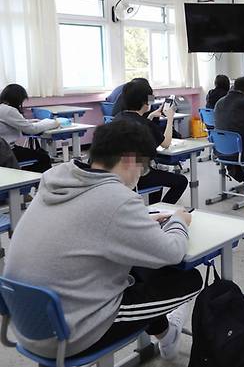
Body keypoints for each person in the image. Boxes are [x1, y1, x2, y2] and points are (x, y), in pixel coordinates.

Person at [4, 120, 202, 360]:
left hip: (26, 322)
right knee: (187, 279)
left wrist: (140, 224)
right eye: (144, 167)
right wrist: (179, 220)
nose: (142, 174)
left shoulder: (57, 179)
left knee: (133, 267)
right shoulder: (116, 198)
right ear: (130, 159)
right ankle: (169, 334)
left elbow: (84, 226)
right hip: (69, 335)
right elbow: (172, 252)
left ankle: (164, 334)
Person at [114, 81, 189, 204]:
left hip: (116, 174)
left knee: (157, 175)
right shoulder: (145, 125)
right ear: (145, 102)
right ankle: (162, 208)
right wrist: (170, 119)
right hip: (137, 176)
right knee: (181, 181)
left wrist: (150, 116)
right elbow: (165, 143)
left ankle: (155, 207)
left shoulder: (118, 117)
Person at [0, 84, 58, 172]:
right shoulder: (9, 110)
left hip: (4, 150)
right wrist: (54, 123)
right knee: (44, 157)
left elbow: (10, 123)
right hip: (6, 151)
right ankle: (37, 181)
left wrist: (29, 122)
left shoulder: (2, 107)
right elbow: (32, 130)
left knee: (35, 154)